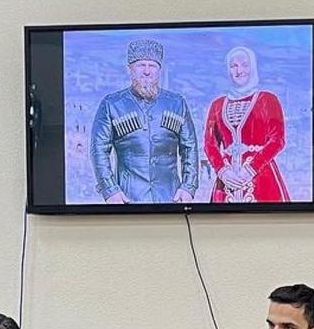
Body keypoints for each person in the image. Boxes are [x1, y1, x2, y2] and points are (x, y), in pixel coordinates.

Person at [89, 38, 198, 204]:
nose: (147, 71)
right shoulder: (111, 104)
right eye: (141, 65)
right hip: (127, 200)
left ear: (159, 70)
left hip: (171, 199)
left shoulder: (177, 103)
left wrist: (188, 187)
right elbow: (99, 150)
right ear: (130, 69)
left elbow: (189, 147)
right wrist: (110, 190)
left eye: (152, 66)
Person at [204, 45, 288, 203]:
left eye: (244, 65)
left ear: (253, 67)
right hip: (226, 181)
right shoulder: (217, 105)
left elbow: (277, 140)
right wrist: (223, 172)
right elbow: (210, 144)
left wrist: (251, 169)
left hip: (262, 176)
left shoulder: (267, 100)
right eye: (233, 66)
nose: (239, 70)